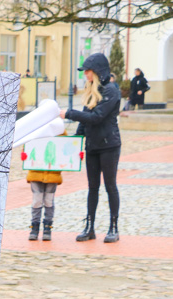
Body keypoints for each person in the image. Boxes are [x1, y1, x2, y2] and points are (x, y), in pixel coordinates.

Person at [61, 52, 121, 243]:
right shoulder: (91, 90)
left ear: (98, 71)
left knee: (110, 186)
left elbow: (96, 118)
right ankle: (90, 227)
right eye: (85, 71)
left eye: (88, 70)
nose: (85, 74)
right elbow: (85, 122)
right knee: (92, 187)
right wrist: (75, 142)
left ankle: (113, 227)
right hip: (93, 146)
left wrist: (70, 113)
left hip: (109, 145)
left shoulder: (111, 91)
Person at [25, 167, 61, 241]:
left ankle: (47, 227)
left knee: (49, 201)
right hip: (36, 173)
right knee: (37, 201)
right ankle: (34, 226)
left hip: (52, 174)